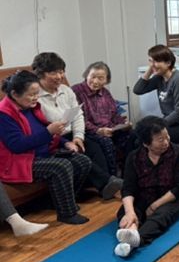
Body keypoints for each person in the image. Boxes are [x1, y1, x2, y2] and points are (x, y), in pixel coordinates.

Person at [0, 70, 90, 224]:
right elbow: (17, 145)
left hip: (41, 153)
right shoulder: (4, 114)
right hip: (18, 161)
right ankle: (67, 213)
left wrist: (65, 142)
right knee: (61, 166)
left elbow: (45, 129)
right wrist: (49, 132)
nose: (36, 97)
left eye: (37, 93)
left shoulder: (30, 107)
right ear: (15, 94)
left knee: (82, 161)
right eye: (31, 94)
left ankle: (56, 201)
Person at [32, 52, 123, 199]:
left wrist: (78, 136)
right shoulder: (34, 96)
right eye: (53, 73)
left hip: (72, 134)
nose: (59, 76)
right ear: (41, 74)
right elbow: (38, 126)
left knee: (94, 148)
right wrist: (65, 140)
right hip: (54, 139)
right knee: (77, 154)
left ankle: (107, 186)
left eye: (61, 71)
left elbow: (78, 115)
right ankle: (109, 184)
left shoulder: (66, 90)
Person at [114, 116, 179, 257]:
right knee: (125, 212)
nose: (166, 142)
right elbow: (128, 188)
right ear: (146, 143)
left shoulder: (178, 154)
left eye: (167, 137)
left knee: (161, 216)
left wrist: (154, 206)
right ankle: (132, 231)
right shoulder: (134, 157)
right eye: (160, 140)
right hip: (143, 195)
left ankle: (136, 240)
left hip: (170, 198)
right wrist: (130, 212)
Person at [72, 61, 132, 176]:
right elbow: (79, 119)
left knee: (131, 135)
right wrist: (98, 130)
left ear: (106, 80)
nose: (95, 81)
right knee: (106, 142)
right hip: (89, 131)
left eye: (100, 78)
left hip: (110, 129)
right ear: (86, 75)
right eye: (93, 77)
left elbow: (114, 114)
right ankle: (112, 177)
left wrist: (123, 123)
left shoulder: (105, 93)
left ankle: (127, 174)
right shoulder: (76, 91)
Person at [133, 45, 179, 144]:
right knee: (135, 134)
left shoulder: (178, 80)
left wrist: (158, 125)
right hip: (170, 123)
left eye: (156, 61)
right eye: (151, 61)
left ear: (168, 63)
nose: (153, 64)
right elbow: (138, 90)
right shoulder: (159, 77)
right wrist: (151, 69)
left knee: (145, 139)